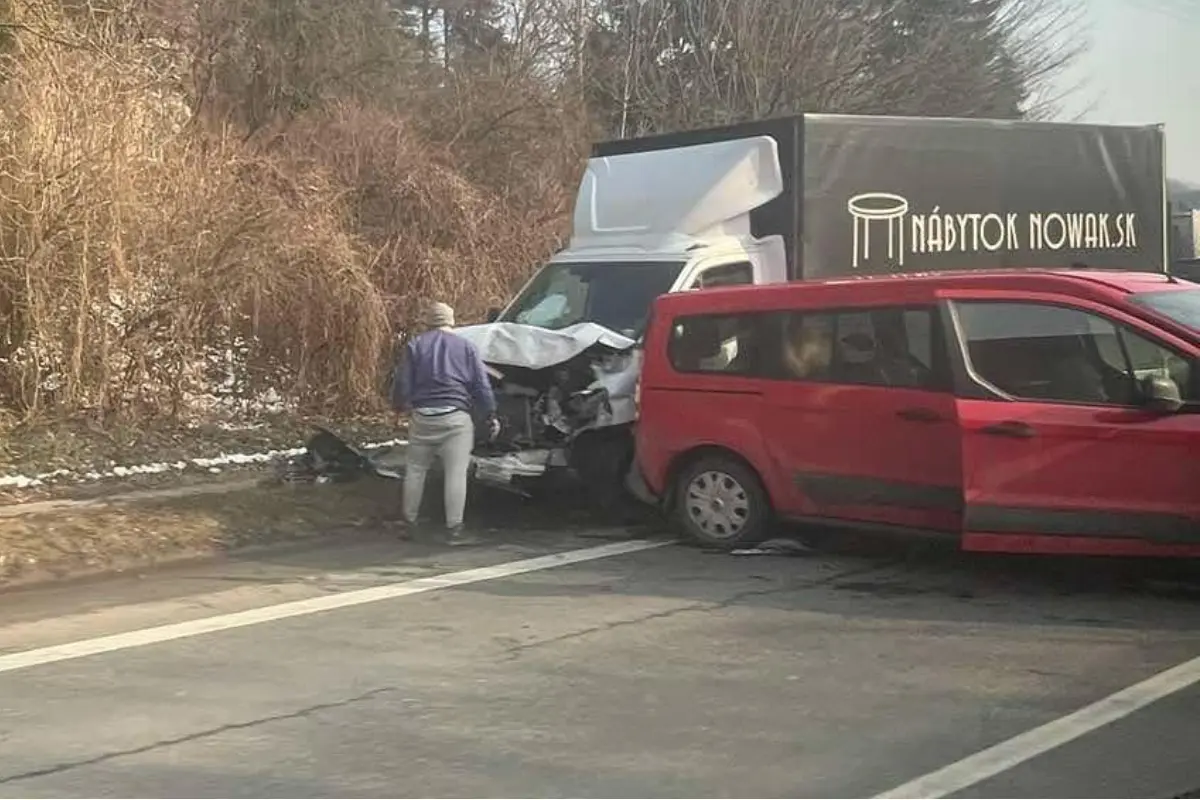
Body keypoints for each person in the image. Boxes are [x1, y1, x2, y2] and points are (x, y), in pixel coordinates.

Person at [391, 301, 500, 546]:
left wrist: (399, 408)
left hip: (422, 418)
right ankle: (454, 530)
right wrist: (489, 414)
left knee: (416, 470)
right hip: (456, 418)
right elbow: (480, 386)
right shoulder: (467, 347)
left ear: (429, 321)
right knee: (456, 473)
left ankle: (410, 524)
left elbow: (402, 383)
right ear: (452, 321)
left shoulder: (415, 345)